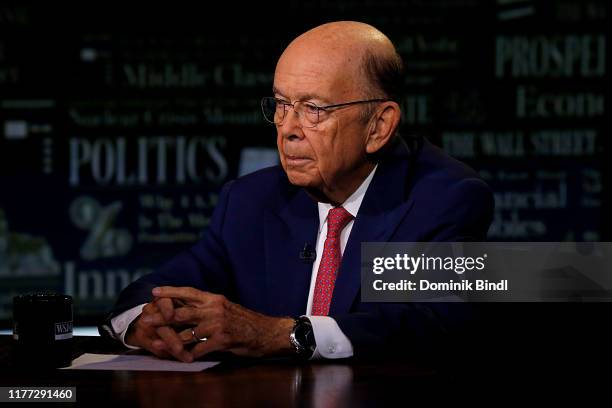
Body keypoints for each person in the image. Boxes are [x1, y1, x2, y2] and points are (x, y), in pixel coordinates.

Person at [99, 21, 494, 362]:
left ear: (378, 126)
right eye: (282, 104)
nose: (287, 127)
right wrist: (141, 322)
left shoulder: (443, 197)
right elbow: (159, 287)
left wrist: (282, 335)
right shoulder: (252, 201)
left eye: (313, 109)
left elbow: (440, 321)